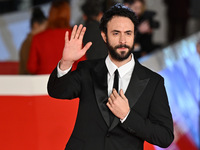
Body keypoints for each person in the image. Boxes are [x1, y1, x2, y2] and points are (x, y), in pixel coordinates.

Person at [48, 3, 174, 150]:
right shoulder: (88, 70)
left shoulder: (153, 82)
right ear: (104, 36)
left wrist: (127, 115)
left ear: (134, 35)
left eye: (128, 33)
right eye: (116, 33)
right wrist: (66, 62)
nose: (122, 40)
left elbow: (165, 137)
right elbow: (57, 91)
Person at [27, 0, 85, 74]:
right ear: (68, 14)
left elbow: (31, 67)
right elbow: (82, 63)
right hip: (69, 81)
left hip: (44, 82)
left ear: (50, 14)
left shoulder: (37, 38)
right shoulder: (74, 36)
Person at [19, 7, 47, 74]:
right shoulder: (30, 42)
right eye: (45, 26)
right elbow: (30, 68)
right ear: (36, 25)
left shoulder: (26, 42)